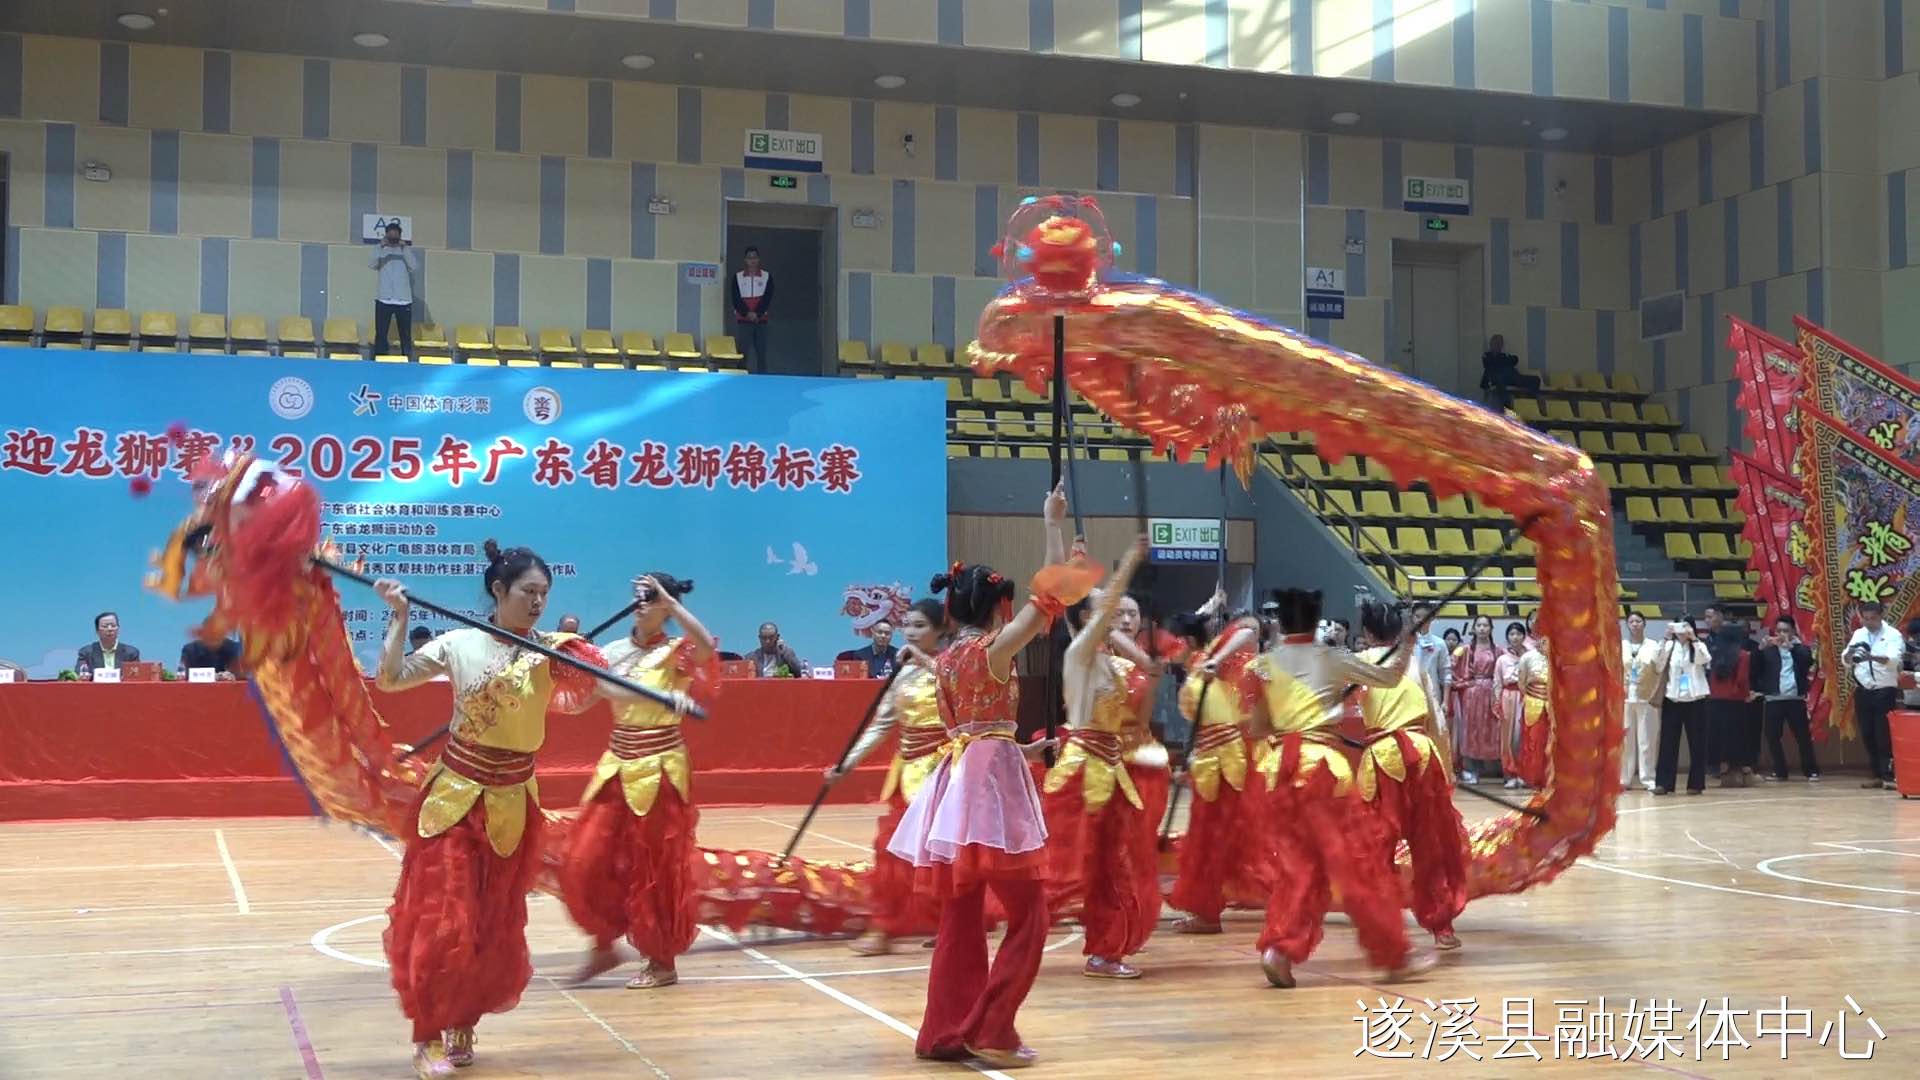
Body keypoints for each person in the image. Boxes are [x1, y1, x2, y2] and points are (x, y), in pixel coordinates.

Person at [373, 541, 611, 1078]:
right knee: (443, 915)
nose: (538, 603)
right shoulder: (458, 643)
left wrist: (586, 659)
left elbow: (590, 692)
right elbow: (391, 678)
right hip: (455, 798)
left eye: (545, 593)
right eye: (529, 592)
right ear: (499, 590)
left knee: (488, 921)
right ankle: (428, 1034)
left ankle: (464, 1018)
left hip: (513, 801)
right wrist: (400, 617)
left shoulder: (551, 650)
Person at [888, 483, 1086, 1069]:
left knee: (961, 916)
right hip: (985, 789)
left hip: (959, 780)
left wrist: (1025, 749)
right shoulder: (991, 652)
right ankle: (993, 1028)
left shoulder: (947, 659)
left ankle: (945, 1030)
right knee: (1031, 915)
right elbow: (1052, 596)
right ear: (999, 607)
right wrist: (1051, 524)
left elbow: (977, 731)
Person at [1243, 587, 1430, 989]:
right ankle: (1392, 956)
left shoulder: (1264, 664)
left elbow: (1257, 728)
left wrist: (1294, 721)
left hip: (1279, 772)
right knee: (1359, 863)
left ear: (1281, 622)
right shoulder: (1330, 657)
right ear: (1315, 622)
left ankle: (1279, 949)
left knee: (1298, 867)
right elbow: (1389, 676)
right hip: (1321, 772)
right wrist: (1407, 642)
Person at [563, 572, 718, 990]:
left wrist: (672, 600)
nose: (641, 603)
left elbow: (706, 646)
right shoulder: (611, 652)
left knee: (655, 867)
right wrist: (556, 673)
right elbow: (579, 703)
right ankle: (604, 945)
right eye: (638, 596)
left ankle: (662, 960)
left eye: (651, 598)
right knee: (584, 859)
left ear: (667, 605)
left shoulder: (677, 651)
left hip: (661, 768)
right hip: (617, 764)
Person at [1044, 539, 1159, 980]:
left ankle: (1104, 952)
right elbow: (1103, 605)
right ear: (1086, 619)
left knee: (1110, 867)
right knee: (1063, 869)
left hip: (1111, 771)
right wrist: (1127, 562)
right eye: (1103, 609)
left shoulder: (1114, 665)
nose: (1116, 615)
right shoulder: (1078, 655)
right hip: (1082, 774)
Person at [827, 600, 950, 955]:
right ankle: (886, 926)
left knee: (941, 854)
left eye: (920, 626)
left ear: (940, 630)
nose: (910, 632)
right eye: (907, 625)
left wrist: (921, 659)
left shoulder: (951, 665)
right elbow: (880, 726)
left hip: (944, 773)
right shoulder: (901, 675)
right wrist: (845, 765)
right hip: (908, 774)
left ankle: (944, 923)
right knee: (892, 850)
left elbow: (956, 689)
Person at [1353, 600, 1469, 952]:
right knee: (1428, 843)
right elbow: (1435, 717)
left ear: (1367, 632)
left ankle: (1381, 926)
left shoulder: (1358, 662)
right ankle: (1441, 925)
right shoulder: (1414, 662)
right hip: (1423, 755)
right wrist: (1446, 768)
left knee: (1377, 845)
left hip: (1383, 759)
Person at [1166, 607, 1264, 935]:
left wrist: (1217, 659)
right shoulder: (1194, 668)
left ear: (1187, 641)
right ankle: (1206, 911)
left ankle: (1207, 914)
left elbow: (1249, 629)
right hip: (1210, 764)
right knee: (1211, 839)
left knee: (1215, 839)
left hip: (1224, 765)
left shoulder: (1209, 660)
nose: (1169, 649)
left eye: (1173, 642)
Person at [1753, 616, 1820, 781]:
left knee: (1802, 736)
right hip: (1773, 698)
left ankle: (1811, 770)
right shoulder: (1769, 649)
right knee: (1772, 736)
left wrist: (1792, 649)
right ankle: (1780, 771)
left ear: (1793, 631)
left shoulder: (1800, 648)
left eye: (1785, 630)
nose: (1781, 634)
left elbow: (1808, 662)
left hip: (1795, 699)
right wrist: (1760, 650)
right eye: (1779, 630)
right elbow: (1755, 669)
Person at [1846, 601, 1903, 789]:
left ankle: (1889, 776)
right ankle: (1876, 774)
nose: (1869, 622)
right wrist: (1850, 654)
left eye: (1873, 618)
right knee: (1867, 733)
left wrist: (1870, 657)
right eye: (1866, 618)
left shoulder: (1893, 635)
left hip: (1884, 690)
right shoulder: (1858, 634)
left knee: (1882, 734)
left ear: (1881, 616)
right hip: (1863, 689)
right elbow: (1846, 659)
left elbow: (1893, 660)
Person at [1653, 619, 1712, 795]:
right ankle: (1664, 783)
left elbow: (1705, 659)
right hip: (1673, 698)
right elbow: (1657, 663)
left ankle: (1696, 784)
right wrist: (1665, 638)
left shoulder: (1698, 645)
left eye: (1685, 626)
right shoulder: (1670, 646)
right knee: (1668, 743)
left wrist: (1694, 639)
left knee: (1697, 743)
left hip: (1696, 699)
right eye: (1678, 627)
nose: (1681, 631)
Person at [1450, 615, 1502, 784]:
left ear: (1491, 629)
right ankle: (1470, 769)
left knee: (1492, 730)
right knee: (1471, 729)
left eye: (1485, 625)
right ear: (1473, 628)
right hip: (1471, 695)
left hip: (1491, 692)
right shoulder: (1465, 650)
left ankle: (1495, 769)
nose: (1482, 628)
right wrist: (1465, 683)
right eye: (1479, 625)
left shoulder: (1498, 650)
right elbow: (1451, 668)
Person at [1707, 624, 1758, 788]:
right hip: (1735, 701)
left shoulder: (1715, 654)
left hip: (1716, 701)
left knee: (1720, 738)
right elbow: (1742, 679)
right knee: (1739, 737)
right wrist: (1746, 694)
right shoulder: (1743, 655)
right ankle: (1744, 772)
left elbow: (1712, 678)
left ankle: (1725, 773)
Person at [1620, 612, 1664, 793]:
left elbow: (1660, 670)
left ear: (1644, 624)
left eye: (1638, 621)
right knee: (1625, 740)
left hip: (1647, 697)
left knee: (1647, 740)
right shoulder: (1621, 646)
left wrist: (1657, 695)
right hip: (1625, 697)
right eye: (1631, 621)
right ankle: (1624, 779)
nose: (1635, 624)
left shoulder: (1653, 646)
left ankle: (1648, 778)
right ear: (1627, 625)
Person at [1408, 604, 1452, 774]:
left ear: (1432, 619)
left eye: (1425, 617)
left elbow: (1445, 673)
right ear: (1412, 618)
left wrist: (1445, 701)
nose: (1421, 620)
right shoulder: (1405, 642)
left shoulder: (1440, 644)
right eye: (1417, 616)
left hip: (1432, 695)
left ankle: (1435, 772)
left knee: (1435, 733)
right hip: (1409, 695)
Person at [1509, 632, 1552, 789]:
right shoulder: (1527, 657)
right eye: (1541, 639)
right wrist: (1533, 697)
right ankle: (1531, 776)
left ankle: (1550, 777)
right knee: (1533, 741)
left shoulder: (1559, 657)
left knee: (1551, 742)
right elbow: (1521, 683)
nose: (1544, 642)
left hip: (1552, 707)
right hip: (1533, 704)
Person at [369, 220, 418, 357]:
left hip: (403, 300)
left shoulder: (405, 250)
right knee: (381, 333)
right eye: (390, 236)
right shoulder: (380, 249)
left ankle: (406, 359)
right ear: (386, 235)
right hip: (384, 298)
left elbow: (414, 266)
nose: (393, 239)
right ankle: (380, 359)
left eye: (395, 237)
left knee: (405, 334)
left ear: (400, 236)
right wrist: (381, 247)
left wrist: (404, 248)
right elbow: (371, 264)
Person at [1494, 622, 1529, 789]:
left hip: (1526, 697)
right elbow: (1497, 682)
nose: (1515, 637)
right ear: (1507, 637)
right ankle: (1509, 773)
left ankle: (1524, 773)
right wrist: (1497, 703)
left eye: (1518, 634)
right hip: (1507, 697)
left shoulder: (1530, 656)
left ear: (1524, 636)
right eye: (1512, 634)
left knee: (1523, 736)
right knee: (1507, 737)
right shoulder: (1502, 659)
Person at [728, 245, 773, 370]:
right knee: (743, 353)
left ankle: (762, 378)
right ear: (745, 260)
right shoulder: (737, 277)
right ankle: (741, 377)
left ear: (758, 259)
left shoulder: (766, 276)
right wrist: (747, 313)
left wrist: (757, 314)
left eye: (754, 257)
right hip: (743, 320)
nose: (752, 260)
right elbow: (736, 298)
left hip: (761, 320)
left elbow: (767, 297)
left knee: (761, 352)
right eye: (749, 258)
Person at [1477, 334, 1538, 410]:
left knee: (1535, 380)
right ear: (1491, 344)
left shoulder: (1504, 355)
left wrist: (1503, 361)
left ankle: (1533, 402)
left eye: (1500, 343)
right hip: (1496, 380)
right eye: (1497, 343)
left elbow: (1515, 360)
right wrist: (1504, 361)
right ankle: (1507, 406)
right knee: (1499, 379)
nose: (1499, 345)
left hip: (1510, 378)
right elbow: (1489, 364)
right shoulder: (1486, 355)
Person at [76, 612, 140, 678]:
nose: (110, 629)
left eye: (113, 626)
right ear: (97, 631)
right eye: (105, 626)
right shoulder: (86, 653)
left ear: (118, 629)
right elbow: (79, 675)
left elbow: (136, 677)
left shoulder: (131, 653)